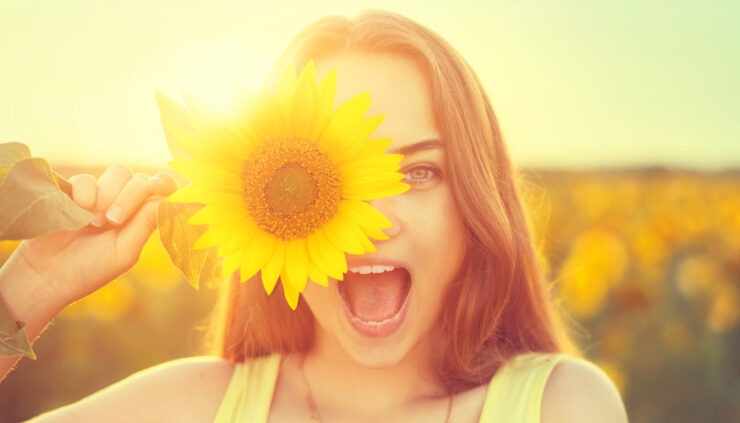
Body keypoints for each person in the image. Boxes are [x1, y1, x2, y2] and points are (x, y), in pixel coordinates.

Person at [0, 10, 628, 422]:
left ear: (476, 203)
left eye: (416, 172)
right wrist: (30, 290)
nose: (373, 220)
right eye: (332, 177)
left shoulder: (558, 406)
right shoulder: (191, 407)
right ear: (264, 206)